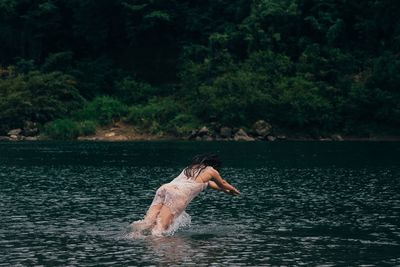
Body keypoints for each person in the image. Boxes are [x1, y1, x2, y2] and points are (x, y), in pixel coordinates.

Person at [130, 154, 240, 236]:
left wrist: (225, 191)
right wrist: (233, 190)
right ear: (215, 166)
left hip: (165, 188)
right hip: (178, 195)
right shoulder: (211, 170)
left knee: (148, 222)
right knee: (161, 228)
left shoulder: (192, 169)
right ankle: (158, 248)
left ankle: (133, 235)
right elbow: (223, 183)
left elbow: (214, 185)